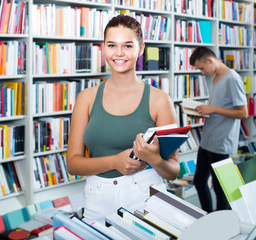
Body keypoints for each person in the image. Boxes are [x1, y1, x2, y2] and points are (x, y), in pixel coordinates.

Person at [66, 15, 179, 223]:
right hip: (97, 200)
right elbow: (72, 164)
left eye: (127, 46)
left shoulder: (160, 100)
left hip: (145, 198)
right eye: (112, 45)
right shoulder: (86, 98)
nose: (119, 53)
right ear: (103, 48)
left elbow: (173, 171)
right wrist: (114, 162)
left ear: (141, 48)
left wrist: (153, 158)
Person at [189, 46, 248, 213]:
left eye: (201, 68)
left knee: (221, 191)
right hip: (207, 140)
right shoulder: (214, 77)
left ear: (210, 60)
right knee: (199, 182)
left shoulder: (232, 79)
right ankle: (209, 217)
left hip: (222, 143)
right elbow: (219, 107)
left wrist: (212, 109)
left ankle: (223, 229)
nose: (201, 72)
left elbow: (243, 113)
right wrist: (203, 112)